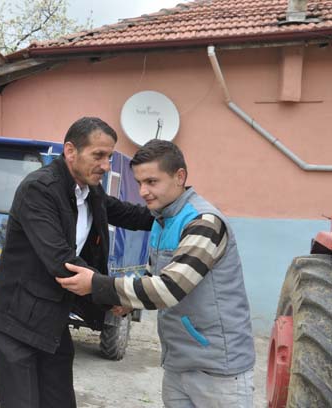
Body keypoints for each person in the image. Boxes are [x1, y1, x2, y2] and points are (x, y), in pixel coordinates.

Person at [57, 139, 256, 408]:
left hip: (218, 371)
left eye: (152, 182)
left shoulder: (204, 222)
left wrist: (97, 284)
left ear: (179, 177)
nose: (143, 192)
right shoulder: (163, 219)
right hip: (178, 363)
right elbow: (155, 274)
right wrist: (129, 302)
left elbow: (170, 288)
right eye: (139, 183)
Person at [0, 117, 154, 408]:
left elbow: (129, 214)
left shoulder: (90, 191)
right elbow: (61, 261)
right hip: (16, 321)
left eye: (109, 157)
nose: (106, 165)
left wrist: (174, 209)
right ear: (70, 151)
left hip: (51, 319)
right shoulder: (39, 190)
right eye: (98, 155)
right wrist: (115, 293)